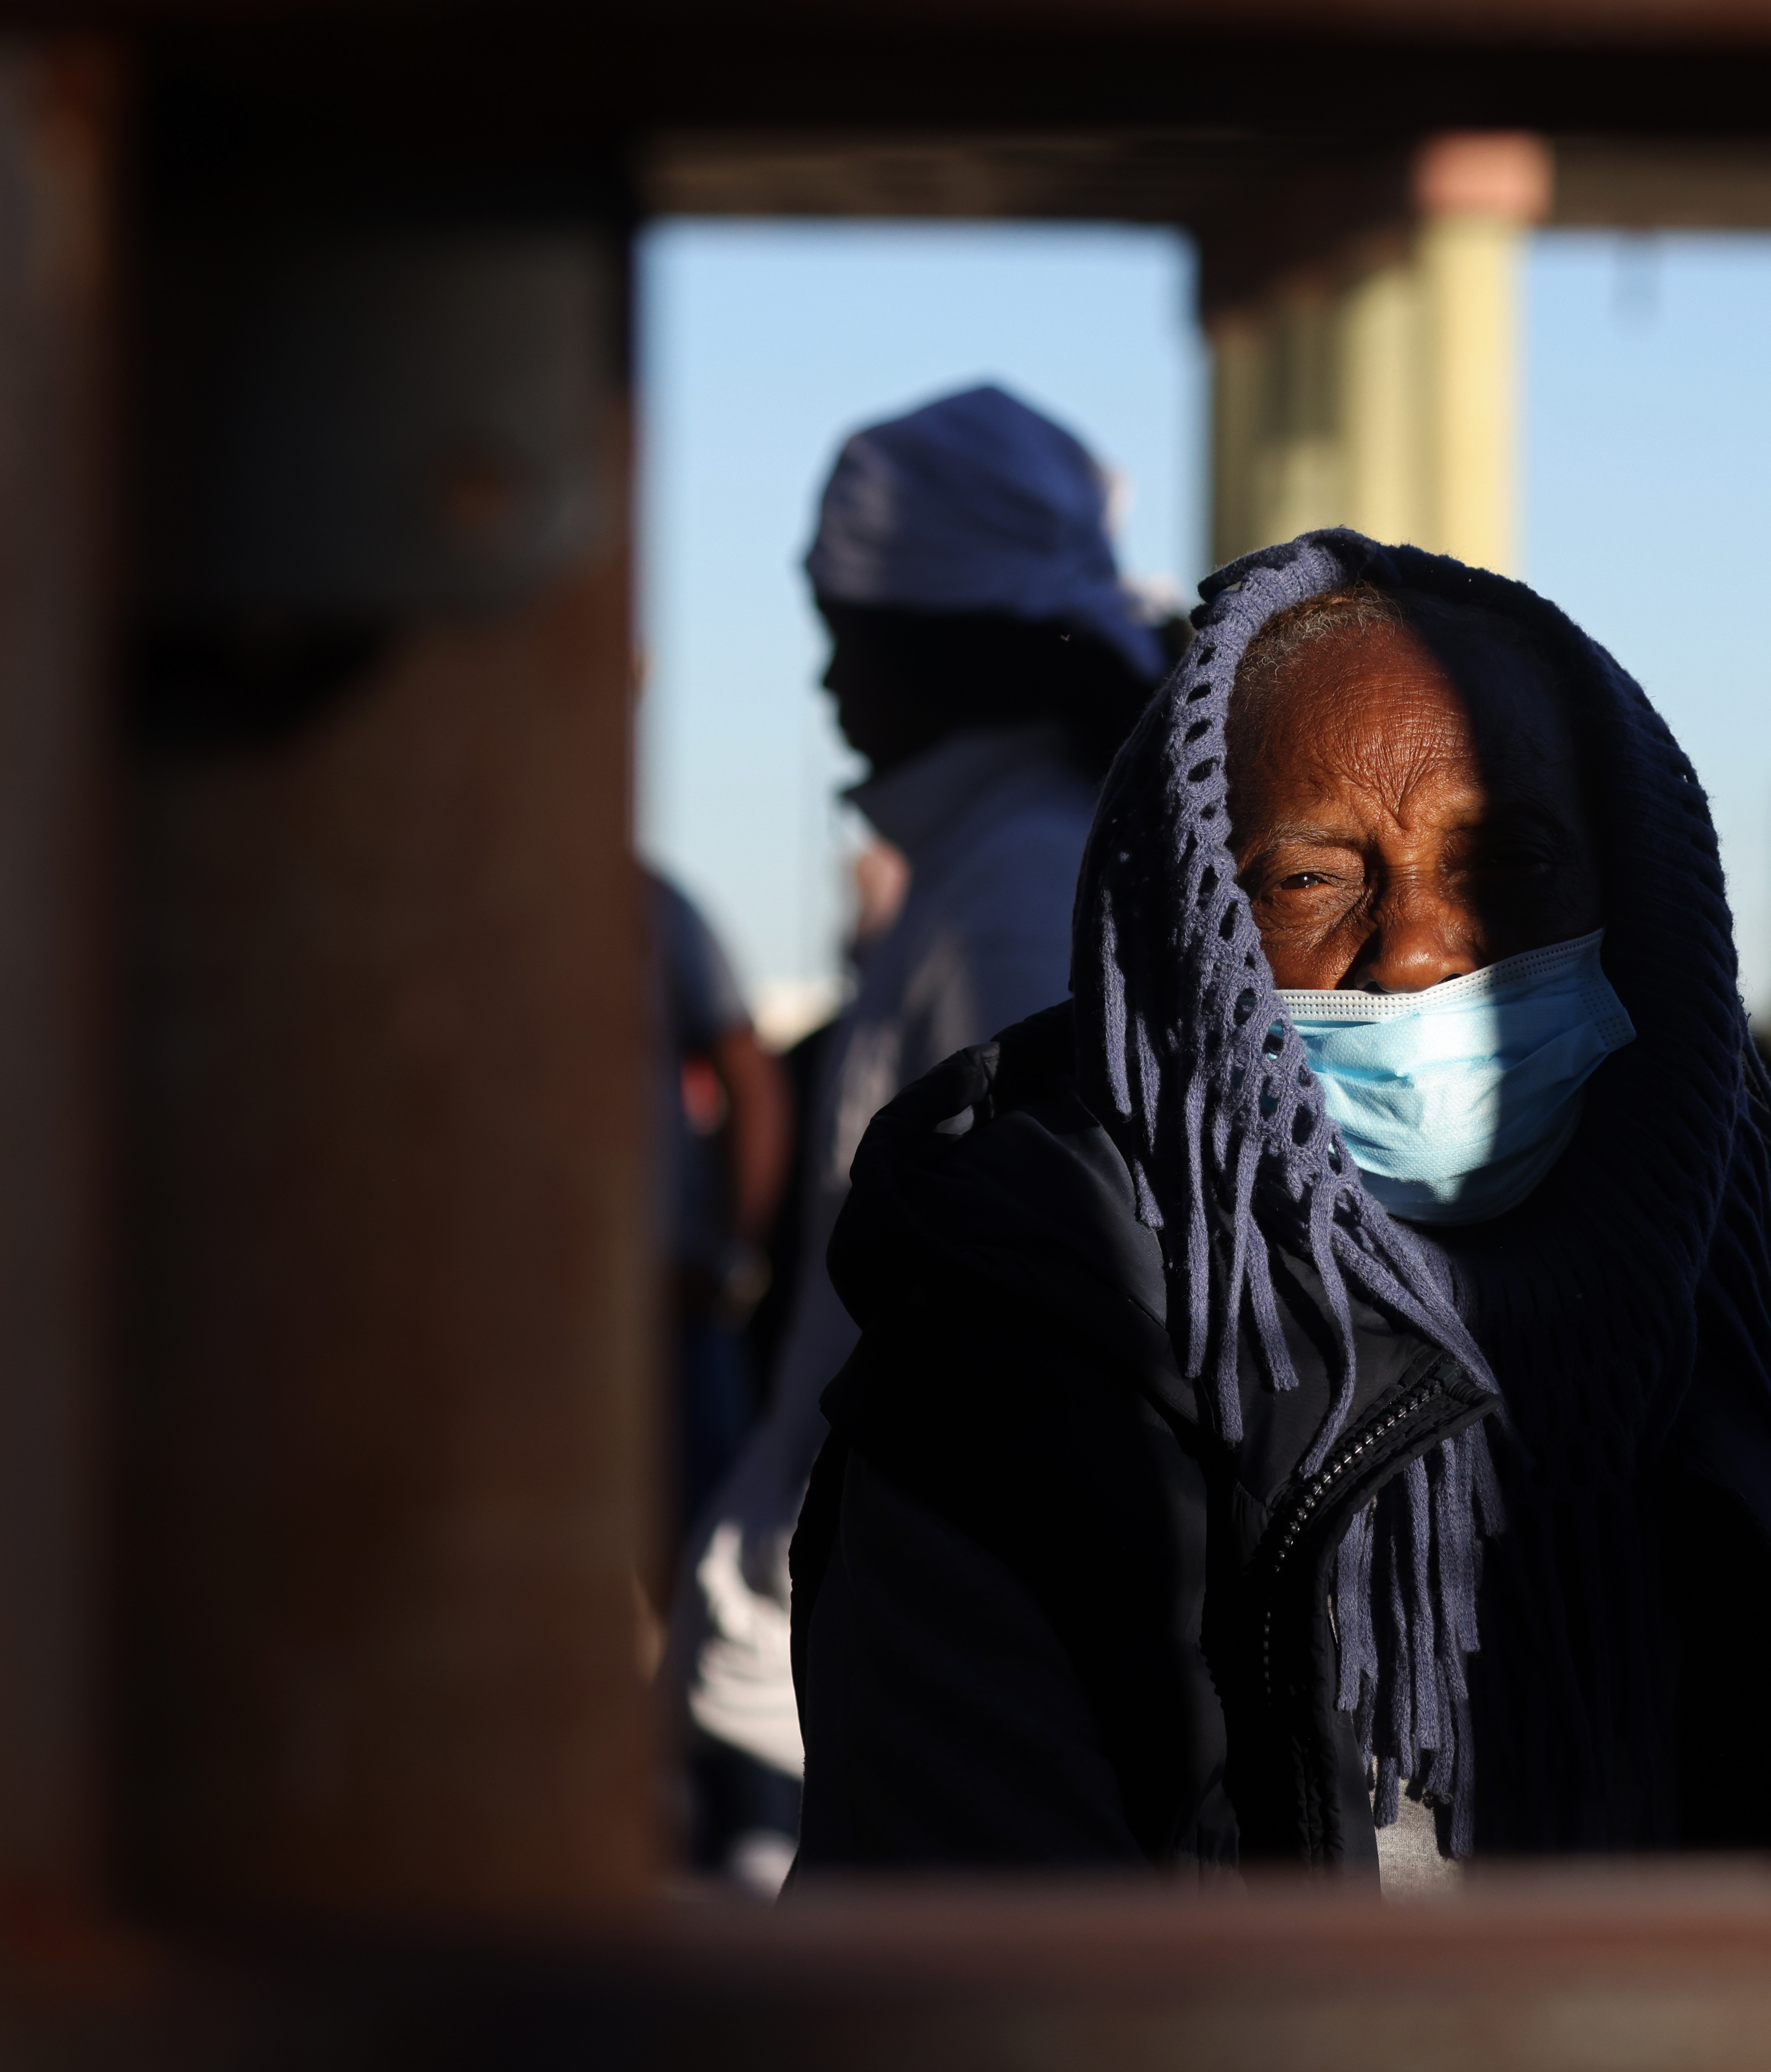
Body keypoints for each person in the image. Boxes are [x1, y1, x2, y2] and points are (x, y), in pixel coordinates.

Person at [786, 531, 1771, 1879]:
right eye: (1313, 880)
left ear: (1635, 900)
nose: (1420, 948)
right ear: (1191, 929)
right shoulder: (1017, 1351)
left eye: (1506, 865)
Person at [667, 384, 1168, 1890]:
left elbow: (1016, 1318)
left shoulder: (1021, 884)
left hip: (866, 1664)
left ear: (933, 634)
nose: (825, 677)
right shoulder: (991, 856)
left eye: (844, 628)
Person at [644, 866, 788, 1545]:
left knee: (709, 1540)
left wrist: (730, 1255)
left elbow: (748, 1077)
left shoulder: (650, 905)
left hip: (669, 1300)